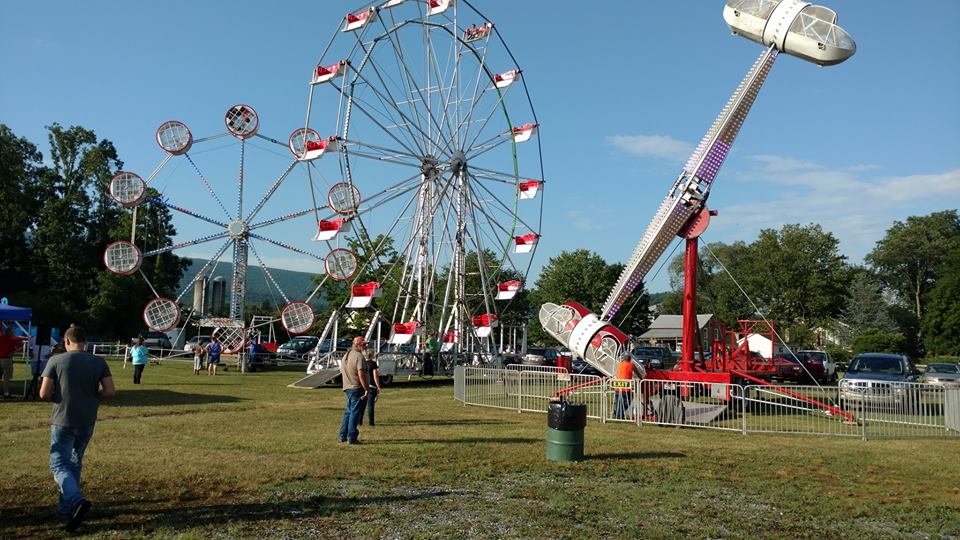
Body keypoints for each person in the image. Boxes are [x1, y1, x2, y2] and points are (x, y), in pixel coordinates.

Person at [39, 325, 116, 532]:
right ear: (86, 343)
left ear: (66, 341)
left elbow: (43, 393)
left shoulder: (56, 361)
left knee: (59, 465)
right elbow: (109, 391)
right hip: (87, 419)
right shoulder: (99, 361)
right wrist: (93, 398)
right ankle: (66, 508)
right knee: (74, 462)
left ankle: (76, 500)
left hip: (63, 418)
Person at [338, 336, 368, 444]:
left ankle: (342, 435)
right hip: (357, 388)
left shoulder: (346, 355)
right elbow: (361, 374)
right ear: (359, 345)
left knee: (348, 412)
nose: (366, 346)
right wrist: (366, 388)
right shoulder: (359, 356)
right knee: (355, 413)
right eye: (364, 344)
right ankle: (352, 437)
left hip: (348, 387)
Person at [613, 353, 646, 420]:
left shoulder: (620, 364)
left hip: (618, 386)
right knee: (628, 401)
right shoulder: (631, 365)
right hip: (626, 387)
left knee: (619, 402)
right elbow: (637, 373)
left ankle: (618, 413)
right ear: (630, 359)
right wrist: (642, 379)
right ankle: (619, 415)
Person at [0, 327, 28, 398]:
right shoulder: (12, 339)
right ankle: (6, 393)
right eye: (13, 331)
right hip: (7, 359)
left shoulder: (2, 338)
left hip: (2, 358)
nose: (14, 332)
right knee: (7, 377)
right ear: (10, 332)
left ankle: (5, 392)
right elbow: (21, 345)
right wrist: (13, 352)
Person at [358, 348, 382, 427]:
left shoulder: (362, 363)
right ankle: (371, 422)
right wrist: (378, 386)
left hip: (363, 385)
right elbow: (375, 376)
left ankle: (359, 421)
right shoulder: (373, 363)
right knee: (370, 405)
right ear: (371, 355)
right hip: (371, 386)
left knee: (362, 405)